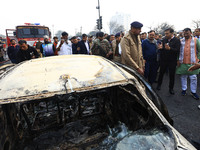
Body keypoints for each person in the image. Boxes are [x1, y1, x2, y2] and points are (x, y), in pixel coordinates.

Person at [176, 28, 200, 99]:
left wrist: (198, 59)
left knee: (193, 78)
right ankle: (184, 89)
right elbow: (178, 51)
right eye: (184, 33)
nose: (185, 35)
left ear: (191, 33)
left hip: (193, 62)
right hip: (183, 62)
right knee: (183, 77)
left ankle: (193, 92)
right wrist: (178, 59)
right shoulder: (181, 41)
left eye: (187, 33)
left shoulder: (196, 40)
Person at [156, 28, 181, 94]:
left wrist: (170, 48)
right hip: (163, 60)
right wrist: (161, 48)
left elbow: (177, 50)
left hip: (172, 61)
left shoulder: (177, 40)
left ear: (172, 33)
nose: (165, 35)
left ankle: (171, 88)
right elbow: (163, 49)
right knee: (161, 73)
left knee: (172, 75)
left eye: (167, 33)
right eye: (165, 33)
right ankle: (159, 85)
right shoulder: (164, 39)